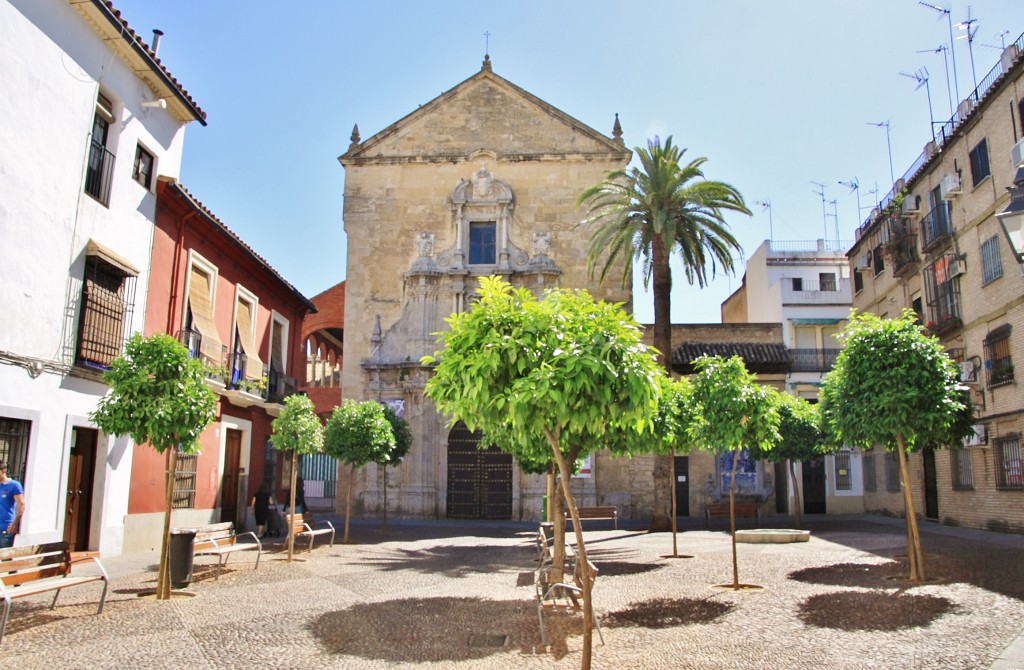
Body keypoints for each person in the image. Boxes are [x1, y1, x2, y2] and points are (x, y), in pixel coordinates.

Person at [0, 461, 25, 549]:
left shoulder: (14, 485)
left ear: (3, 470)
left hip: (5, 528)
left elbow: (21, 505)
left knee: (5, 558)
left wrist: (14, 524)